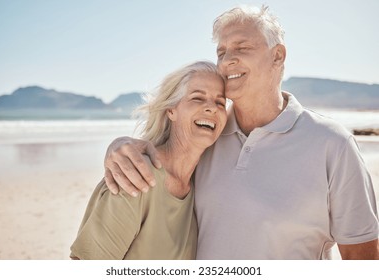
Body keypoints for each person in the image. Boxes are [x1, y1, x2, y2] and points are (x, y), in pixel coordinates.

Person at [103, 5, 379, 259]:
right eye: (221, 52)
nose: (226, 62)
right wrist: (121, 145)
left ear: (277, 55)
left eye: (241, 48)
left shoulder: (333, 144)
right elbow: (162, 159)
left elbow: (362, 258)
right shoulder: (206, 136)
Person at [70, 61, 227, 259]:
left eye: (220, 102)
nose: (211, 108)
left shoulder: (204, 183)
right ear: (171, 110)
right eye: (197, 98)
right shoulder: (136, 175)